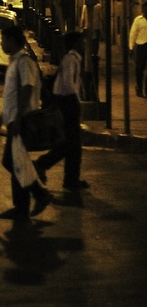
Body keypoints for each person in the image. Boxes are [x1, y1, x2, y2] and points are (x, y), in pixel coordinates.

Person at [0, 24, 52, 224]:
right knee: (14, 162)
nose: (1, 43)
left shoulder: (24, 62)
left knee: (12, 162)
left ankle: (36, 196)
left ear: (13, 40)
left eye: (4, 39)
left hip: (23, 122)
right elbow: (10, 97)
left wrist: (17, 120)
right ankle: (24, 205)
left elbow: (26, 89)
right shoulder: (14, 62)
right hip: (15, 120)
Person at [34, 31, 89, 191]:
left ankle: (71, 179)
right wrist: (74, 104)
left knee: (72, 145)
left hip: (66, 102)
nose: (83, 45)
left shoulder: (72, 59)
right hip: (67, 104)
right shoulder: (70, 59)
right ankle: (43, 164)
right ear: (75, 44)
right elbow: (66, 84)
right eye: (81, 42)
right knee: (71, 143)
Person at [129, 1, 147, 97]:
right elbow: (133, 33)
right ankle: (139, 87)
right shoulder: (138, 20)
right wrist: (131, 47)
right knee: (139, 68)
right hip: (141, 45)